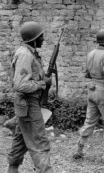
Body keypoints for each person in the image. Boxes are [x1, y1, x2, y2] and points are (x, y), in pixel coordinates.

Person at [7, 21, 54, 173]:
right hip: (28, 104)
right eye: (41, 37)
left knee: (20, 140)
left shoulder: (28, 52)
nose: (43, 39)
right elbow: (20, 85)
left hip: (27, 105)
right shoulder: (25, 55)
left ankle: (12, 168)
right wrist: (42, 84)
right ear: (33, 40)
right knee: (39, 142)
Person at [73, 29, 104, 163]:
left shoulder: (91, 53)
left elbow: (87, 73)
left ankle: (79, 149)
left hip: (92, 89)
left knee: (89, 121)